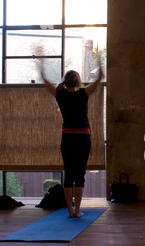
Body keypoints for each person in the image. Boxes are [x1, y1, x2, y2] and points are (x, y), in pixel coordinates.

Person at [41, 64, 104, 218]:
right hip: (82, 138)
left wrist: (42, 71)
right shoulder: (82, 94)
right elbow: (97, 81)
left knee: (69, 174)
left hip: (68, 138)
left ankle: (70, 211)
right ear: (78, 82)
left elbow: (47, 83)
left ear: (65, 82)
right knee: (79, 174)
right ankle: (77, 211)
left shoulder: (60, 95)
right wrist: (100, 70)